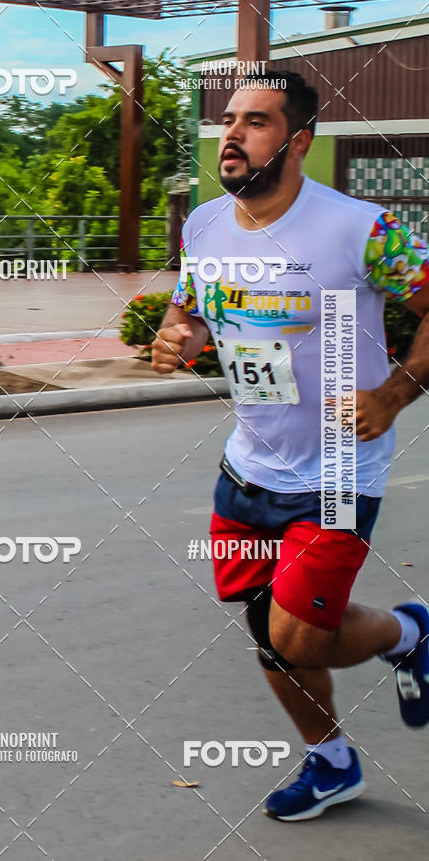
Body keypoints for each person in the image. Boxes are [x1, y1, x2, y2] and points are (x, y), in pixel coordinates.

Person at [152, 70, 429, 822]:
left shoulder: (361, 228)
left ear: (299, 140)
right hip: (246, 469)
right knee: (270, 638)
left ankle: (409, 630)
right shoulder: (204, 225)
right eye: (229, 120)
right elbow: (192, 308)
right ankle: (331, 760)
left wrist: (393, 394)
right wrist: (180, 334)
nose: (233, 134)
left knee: (297, 637)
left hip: (340, 472)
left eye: (258, 121)